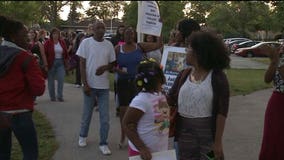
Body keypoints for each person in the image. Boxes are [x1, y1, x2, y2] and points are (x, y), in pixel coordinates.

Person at [167, 31, 230, 160]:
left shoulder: (218, 77)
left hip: (208, 135)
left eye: (188, 47)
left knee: (210, 158)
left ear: (199, 52)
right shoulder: (184, 74)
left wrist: (217, 142)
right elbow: (170, 99)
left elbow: (222, 112)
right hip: (184, 134)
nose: (185, 50)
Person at [0, 15, 45, 160]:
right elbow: (39, 89)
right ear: (14, 37)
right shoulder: (26, 58)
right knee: (30, 154)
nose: (29, 39)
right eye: (25, 35)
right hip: (21, 114)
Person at [114, 26, 163, 148]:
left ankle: (137, 137)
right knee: (124, 112)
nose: (129, 36)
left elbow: (159, 44)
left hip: (138, 84)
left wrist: (159, 27)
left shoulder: (140, 46)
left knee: (138, 111)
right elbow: (111, 64)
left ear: (134, 36)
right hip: (123, 83)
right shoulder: (117, 48)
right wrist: (117, 70)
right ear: (123, 35)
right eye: (127, 34)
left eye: (131, 34)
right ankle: (123, 136)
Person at [76, 21, 116, 155]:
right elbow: (82, 64)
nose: (100, 30)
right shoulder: (86, 43)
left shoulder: (109, 45)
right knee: (87, 114)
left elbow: (112, 64)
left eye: (103, 28)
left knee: (105, 118)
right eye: (98, 27)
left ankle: (103, 143)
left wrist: (104, 68)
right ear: (93, 29)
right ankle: (82, 136)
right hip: (90, 85)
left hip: (104, 87)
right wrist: (85, 84)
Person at [167, 18, 201, 159]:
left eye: (178, 30)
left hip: (198, 113)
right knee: (179, 147)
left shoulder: (202, 55)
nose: (176, 32)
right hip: (179, 109)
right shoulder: (174, 48)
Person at [122, 59, 169, 160]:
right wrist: (142, 148)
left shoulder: (160, 95)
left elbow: (161, 120)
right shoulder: (141, 100)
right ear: (155, 81)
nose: (164, 81)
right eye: (161, 78)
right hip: (143, 154)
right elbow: (127, 124)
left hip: (160, 152)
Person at [259, 44, 284, 160]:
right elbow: (267, 79)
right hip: (276, 102)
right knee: (271, 137)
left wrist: (277, 60)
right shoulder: (280, 56)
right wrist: (274, 61)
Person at [44, 27, 69, 102]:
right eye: (54, 34)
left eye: (57, 34)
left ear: (59, 35)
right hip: (51, 63)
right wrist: (45, 64)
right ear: (51, 35)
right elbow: (44, 53)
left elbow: (65, 52)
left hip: (60, 62)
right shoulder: (48, 42)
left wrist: (66, 62)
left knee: (61, 79)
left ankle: (60, 96)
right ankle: (52, 96)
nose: (55, 35)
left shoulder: (62, 42)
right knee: (51, 81)